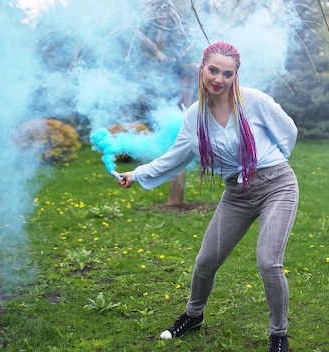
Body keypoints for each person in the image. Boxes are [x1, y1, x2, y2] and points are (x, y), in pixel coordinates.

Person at [116, 41, 298, 352]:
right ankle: (193, 315)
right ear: (202, 69)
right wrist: (137, 174)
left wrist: (272, 161)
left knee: (268, 262)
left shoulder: (254, 101)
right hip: (236, 193)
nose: (219, 79)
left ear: (235, 76)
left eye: (227, 74)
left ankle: (278, 336)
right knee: (205, 261)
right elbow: (175, 156)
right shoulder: (194, 116)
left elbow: (288, 130)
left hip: (276, 185)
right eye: (213, 70)